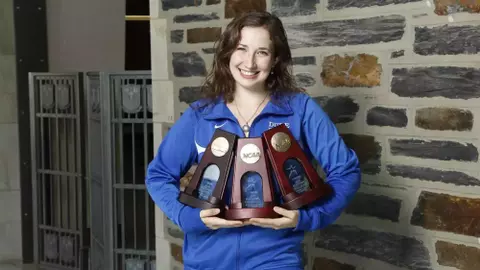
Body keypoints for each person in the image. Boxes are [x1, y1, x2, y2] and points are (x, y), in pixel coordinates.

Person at [146, 11, 361, 270]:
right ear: (227, 53)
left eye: (262, 52)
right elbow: (158, 175)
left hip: (275, 260)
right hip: (206, 261)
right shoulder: (200, 115)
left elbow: (346, 171)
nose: (249, 62)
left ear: (275, 59)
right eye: (241, 48)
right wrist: (188, 217)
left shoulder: (300, 111)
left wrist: (307, 218)